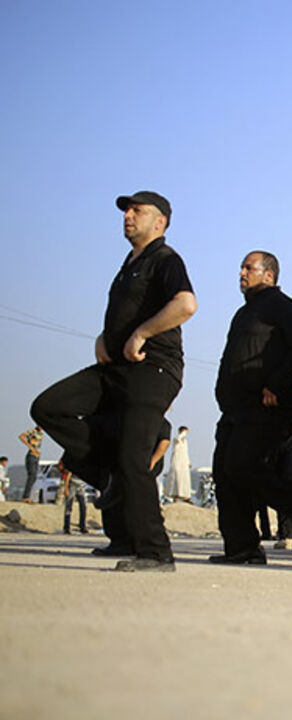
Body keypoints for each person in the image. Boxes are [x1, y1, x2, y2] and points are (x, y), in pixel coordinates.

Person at [30, 191, 196, 572]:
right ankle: (109, 475)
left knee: (134, 459)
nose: (128, 216)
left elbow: (186, 304)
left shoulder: (166, 259)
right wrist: (105, 338)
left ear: (160, 222)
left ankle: (155, 552)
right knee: (48, 407)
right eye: (126, 211)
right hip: (116, 369)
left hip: (153, 368)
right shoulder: (128, 264)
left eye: (138, 211)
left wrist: (142, 333)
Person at [210, 251, 292, 565]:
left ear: (268, 275)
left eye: (248, 268)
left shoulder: (281, 306)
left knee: (243, 465)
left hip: (264, 407)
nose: (241, 273)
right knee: (224, 474)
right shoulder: (244, 313)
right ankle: (242, 548)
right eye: (240, 267)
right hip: (234, 409)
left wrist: (277, 382)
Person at [164, 426, 192, 501]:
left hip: (184, 461)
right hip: (177, 460)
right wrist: (182, 433)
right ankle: (175, 494)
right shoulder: (176, 439)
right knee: (176, 476)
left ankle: (185, 495)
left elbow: (186, 452)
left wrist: (188, 461)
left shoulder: (185, 441)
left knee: (184, 477)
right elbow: (178, 438)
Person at [18, 425, 43, 502]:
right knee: (31, 475)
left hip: (37, 456)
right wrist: (30, 447)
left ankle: (29, 496)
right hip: (31, 455)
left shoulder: (41, 433)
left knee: (34, 476)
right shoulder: (33, 431)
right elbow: (21, 436)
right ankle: (25, 496)